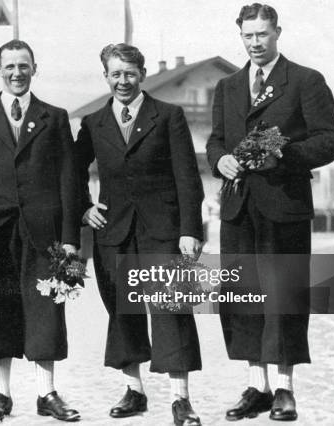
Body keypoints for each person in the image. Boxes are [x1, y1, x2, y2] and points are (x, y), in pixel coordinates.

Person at [206, 3, 334, 422]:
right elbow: (215, 140)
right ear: (240, 36)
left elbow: (330, 140)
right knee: (242, 296)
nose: (255, 43)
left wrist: (284, 154)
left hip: (284, 206)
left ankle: (284, 389)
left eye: (262, 35)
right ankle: (257, 386)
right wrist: (220, 161)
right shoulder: (227, 86)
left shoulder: (305, 80)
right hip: (237, 208)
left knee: (282, 296)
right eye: (247, 36)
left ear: (277, 33)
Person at [0, 40, 81, 423]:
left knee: (47, 309)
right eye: (9, 66)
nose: (17, 73)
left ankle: (46, 394)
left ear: (34, 68)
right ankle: (0, 395)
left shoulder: (54, 117)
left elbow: (69, 181)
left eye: (24, 66)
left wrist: (70, 238)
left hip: (45, 232)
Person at [74, 43, 204, 426]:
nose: (123, 81)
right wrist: (84, 206)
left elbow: (187, 178)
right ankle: (134, 390)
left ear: (143, 75)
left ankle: (180, 399)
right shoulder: (94, 123)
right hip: (113, 233)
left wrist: (189, 230)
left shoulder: (168, 116)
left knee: (171, 311)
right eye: (115, 74)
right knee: (122, 311)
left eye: (130, 73)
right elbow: (71, 171)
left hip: (163, 232)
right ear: (106, 77)